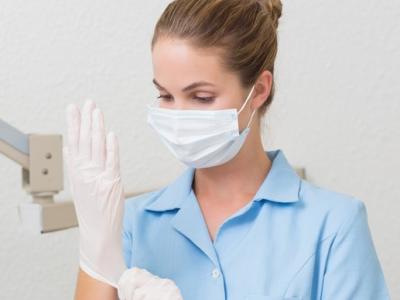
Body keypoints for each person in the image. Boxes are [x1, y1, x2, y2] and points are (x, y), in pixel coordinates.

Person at [64, 0, 391, 299]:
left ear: (259, 90)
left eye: (201, 97)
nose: (178, 117)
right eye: (165, 96)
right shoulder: (131, 224)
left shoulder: (333, 226)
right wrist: (95, 253)